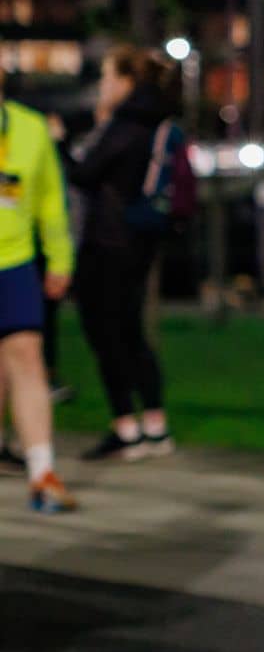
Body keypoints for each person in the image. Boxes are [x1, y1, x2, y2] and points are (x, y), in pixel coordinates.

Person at [63, 45, 179, 460]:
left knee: (106, 332)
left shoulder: (124, 122)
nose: (102, 86)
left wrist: (60, 142)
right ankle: (155, 425)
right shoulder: (155, 119)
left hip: (107, 241)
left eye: (108, 77)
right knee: (131, 331)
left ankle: (125, 429)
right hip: (140, 238)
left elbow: (84, 173)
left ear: (127, 82)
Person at [0, 67, 77, 510]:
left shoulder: (29, 128)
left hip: (15, 265)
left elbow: (51, 199)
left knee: (27, 360)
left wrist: (60, 258)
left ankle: (42, 474)